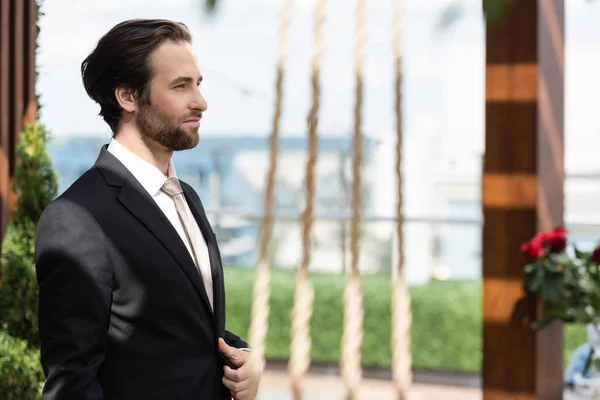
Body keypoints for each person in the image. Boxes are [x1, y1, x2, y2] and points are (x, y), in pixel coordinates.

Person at [35, 19, 262, 400]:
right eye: (180, 86)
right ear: (127, 97)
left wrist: (244, 359)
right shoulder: (76, 219)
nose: (201, 102)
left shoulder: (186, 196)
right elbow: (72, 382)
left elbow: (183, 327)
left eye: (198, 84)